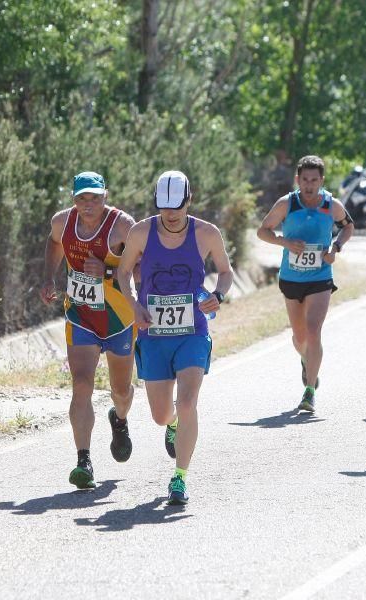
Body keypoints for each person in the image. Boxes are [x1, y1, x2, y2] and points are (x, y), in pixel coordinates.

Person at [117, 170, 233, 505]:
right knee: (160, 414)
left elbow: (225, 272)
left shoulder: (206, 233)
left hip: (192, 331)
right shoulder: (141, 232)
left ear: (189, 201)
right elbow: (123, 273)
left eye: (177, 208)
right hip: (153, 332)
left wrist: (219, 295)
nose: (170, 214)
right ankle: (172, 425)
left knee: (187, 403)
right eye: (164, 207)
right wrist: (134, 304)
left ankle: (179, 479)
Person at [40, 172, 137, 490]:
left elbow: (142, 263)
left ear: (106, 196)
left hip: (119, 319)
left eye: (95, 197)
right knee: (81, 385)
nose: (89, 204)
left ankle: (119, 419)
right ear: (73, 199)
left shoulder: (122, 226)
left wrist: (108, 269)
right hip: (81, 316)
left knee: (121, 391)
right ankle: (84, 460)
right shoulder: (61, 223)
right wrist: (49, 277)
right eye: (82, 198)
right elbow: (54, 245)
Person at [257, 155, 355, 412]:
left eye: (314, 180)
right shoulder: (287, 204)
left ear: (322, 180)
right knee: (299, 337)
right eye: (305, 180)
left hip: (320, 277)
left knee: (313, 331)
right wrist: (285, 243)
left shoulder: (330, 204)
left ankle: (309, 391)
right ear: (297, 179)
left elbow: (348, 226)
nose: (309, 185)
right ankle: (306, 360)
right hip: (291, 278)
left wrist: (337, 247)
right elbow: (262, 230)